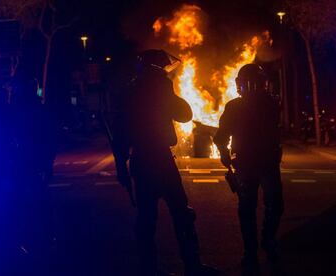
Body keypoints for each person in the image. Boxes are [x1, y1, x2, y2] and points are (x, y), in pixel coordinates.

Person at [112, 49, 219, 276]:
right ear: (157, 68)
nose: (165, 72)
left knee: (146, 218)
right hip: (160, 159)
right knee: (182, 213)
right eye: (163, 68)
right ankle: (192, 265)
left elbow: (120, 134)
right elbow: (184, 114)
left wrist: (121, 165)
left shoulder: (129, 91)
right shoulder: (160, 87)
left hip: (140, 160)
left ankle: (148, 267)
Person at [213, 64, 284, 274]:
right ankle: (255, 249)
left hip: (262, 162)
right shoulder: (240, 106)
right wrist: (225, 153)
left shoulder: (268, 104)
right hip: (249, 163)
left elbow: (221, 136)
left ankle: (262, 245)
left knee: (261, 207)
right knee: (258, 207)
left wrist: (224, 154)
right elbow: (222, 136)